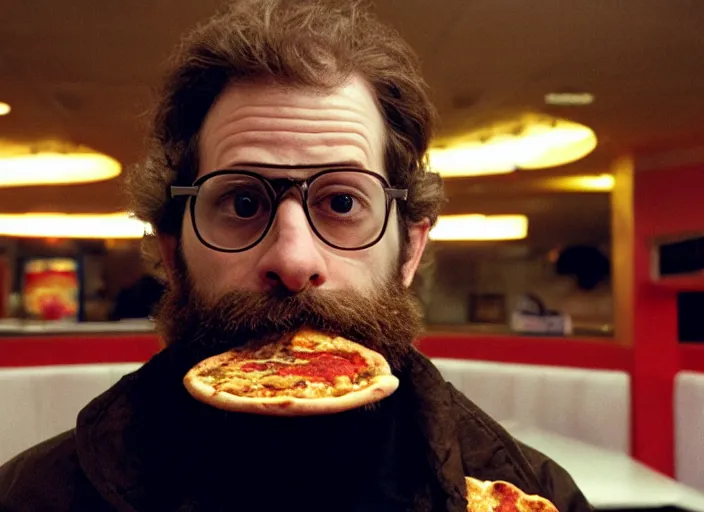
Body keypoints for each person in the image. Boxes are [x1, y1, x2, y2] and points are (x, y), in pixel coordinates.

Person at [0, 1, 592, 510]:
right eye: (241, 201)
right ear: (172, 252)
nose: (292, 257)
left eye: (341, 200)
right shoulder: (31, 496)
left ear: (409, 248)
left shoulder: (529, 495)